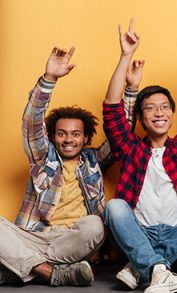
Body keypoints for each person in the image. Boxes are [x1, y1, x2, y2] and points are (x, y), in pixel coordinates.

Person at [102, 18, 177, 293]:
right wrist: (126, 55)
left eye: (164, 107)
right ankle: (157, 267)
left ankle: (142, 265)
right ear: (141, 119)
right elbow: (111, 108)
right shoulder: (130, 149)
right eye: (150, 109)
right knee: (114, 207)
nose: (159, 112)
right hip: (137, 236)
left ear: (171, 113)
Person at [0, 44, 134, 287]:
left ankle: (20, 267)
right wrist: (49, 79)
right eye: (62, 134)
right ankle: (49, 272)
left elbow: (120, 134)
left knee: (96, 225)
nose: (69, 139)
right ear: (52, 137)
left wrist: (132, 91)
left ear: (86, 138)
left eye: (75, 134)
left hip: (72, 241)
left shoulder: (95, 160)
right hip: (33, 236)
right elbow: (32, 123)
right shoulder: (42, 158)